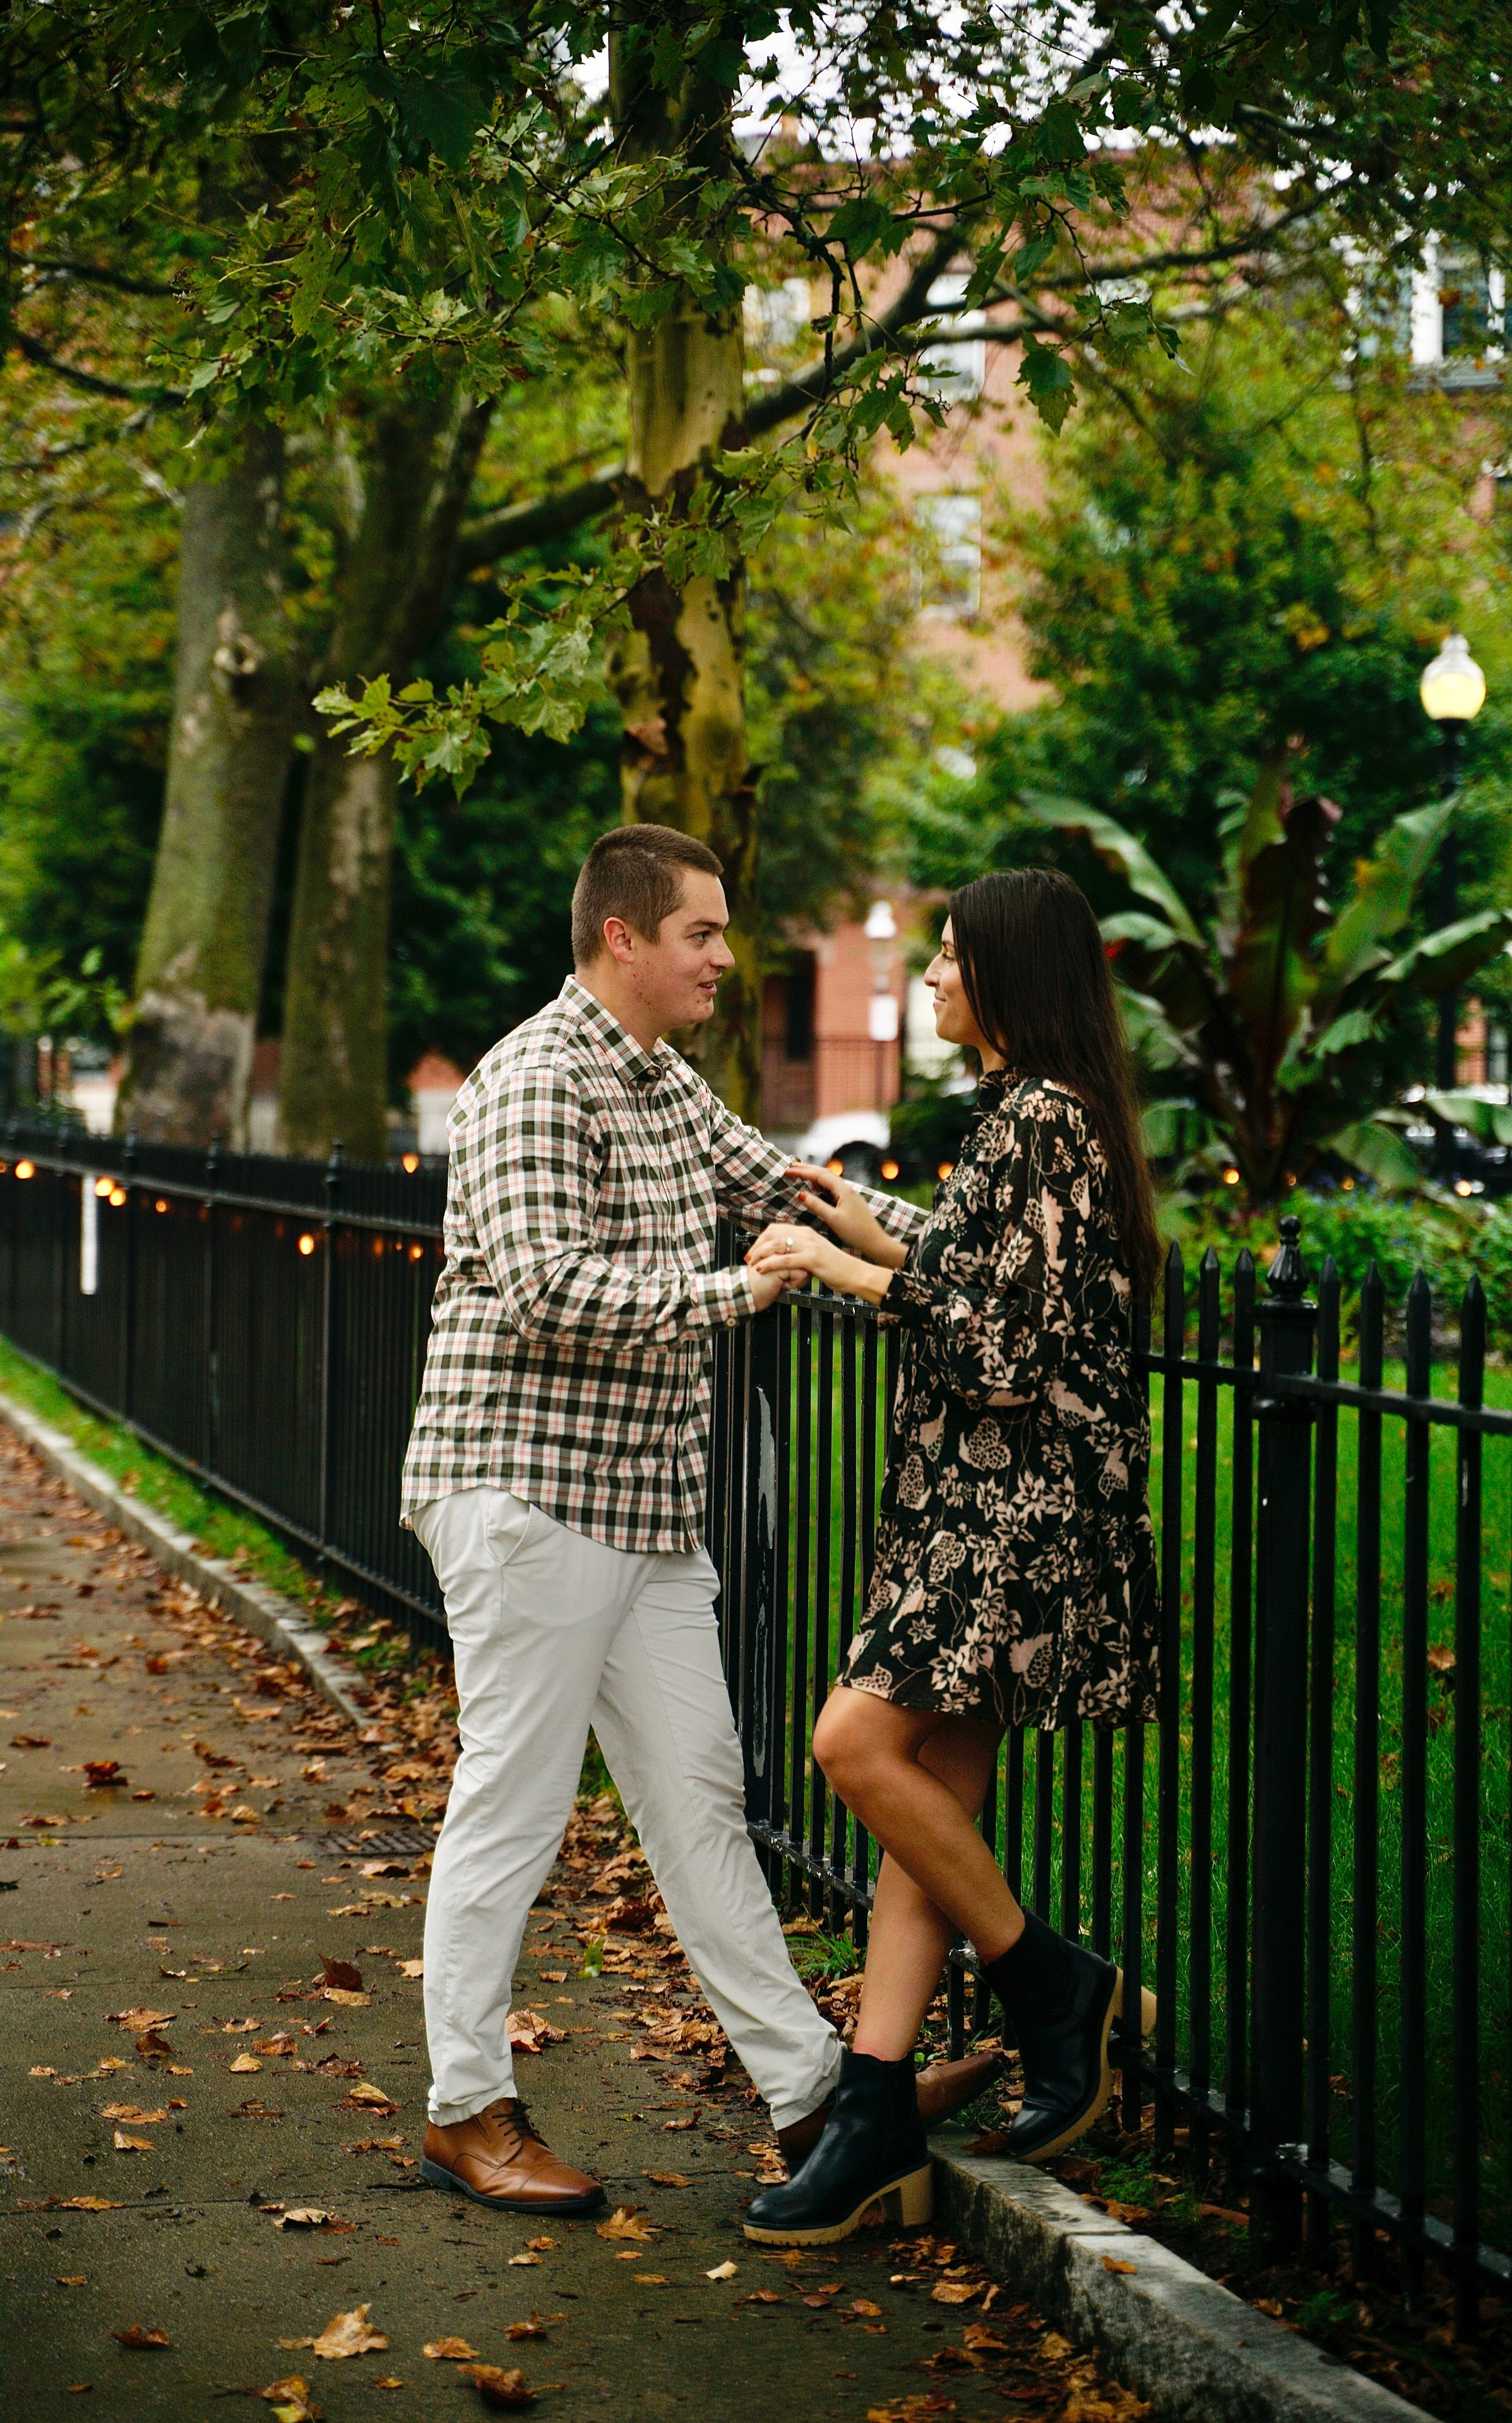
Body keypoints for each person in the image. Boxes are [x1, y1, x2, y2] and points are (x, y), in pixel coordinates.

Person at [402, 822, 1001, 2216]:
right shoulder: (535, 1082)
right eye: (703, 935)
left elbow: (790, 1192)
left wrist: (970, 1244)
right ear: (623, 937)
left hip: (646, 1505)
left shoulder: (666, 1083)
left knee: (702, 1804)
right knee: (513, 1803)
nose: (727, 958)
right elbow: (552, 1285)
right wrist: (743, 1292)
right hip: (526, 1490)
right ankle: (463, 2105)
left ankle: (812, 2099)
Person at [739, 867, 1163, 2247]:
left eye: (947, 957)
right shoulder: (1034, 1117)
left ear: (1007, 978)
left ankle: (1055, 1987)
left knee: (850, 1747)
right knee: (923, 1811)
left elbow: (994, 1353)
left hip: (1005, 1514)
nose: (926, 976)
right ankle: (872, 2110)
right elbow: (992, 1284)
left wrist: (840, 1266)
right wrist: (871, 1220)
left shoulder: (1038, 1116)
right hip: (984, 1509)